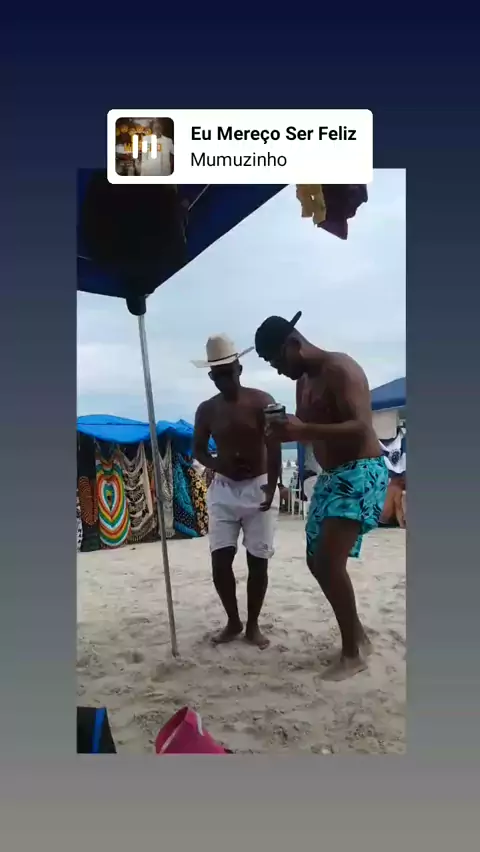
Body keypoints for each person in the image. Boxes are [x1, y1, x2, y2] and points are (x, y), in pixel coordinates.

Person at [254, 312, 388, 680]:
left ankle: (352, 654)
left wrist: (303, 429)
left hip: (361, 470)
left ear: (293, 344)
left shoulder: (341, 369)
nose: (279, 370)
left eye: (278, 361)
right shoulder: (303, 382)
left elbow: (361, 426)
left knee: (329, 563)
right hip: (331, 476)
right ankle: (358, 636)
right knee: (316, 561)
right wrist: (283, 432)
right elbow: (307, 428)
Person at [192, 334, 282, 649]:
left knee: (258, 561)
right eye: (218, 375)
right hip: (224, 489)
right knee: (220, 561)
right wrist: (219, 463)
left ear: (239, 369)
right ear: (211, 377)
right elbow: (198, 450)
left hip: (259, 485)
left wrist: (273, 485)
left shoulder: (262, 400)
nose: (224, 380)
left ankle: (253, 625)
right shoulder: (207, 410)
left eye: (228, 373)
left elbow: (275, 445)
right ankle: (233, 621)